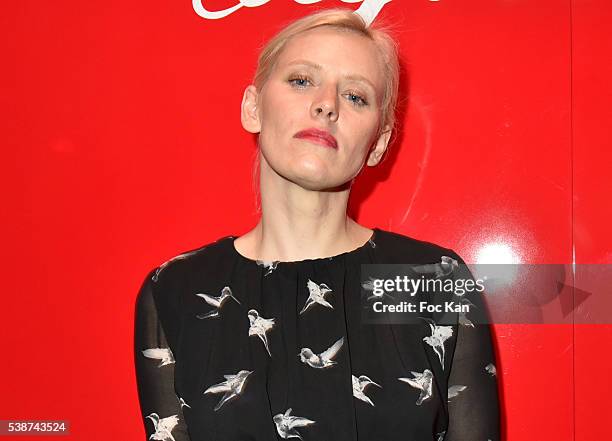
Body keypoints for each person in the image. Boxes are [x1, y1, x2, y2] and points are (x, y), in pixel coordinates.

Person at [134, 8, 500, 441]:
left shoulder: (430, 282)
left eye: (356, 96)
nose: (326, 104)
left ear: (378, 143)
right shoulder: (176, 288)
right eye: (302, 80)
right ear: (253, 107)